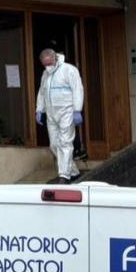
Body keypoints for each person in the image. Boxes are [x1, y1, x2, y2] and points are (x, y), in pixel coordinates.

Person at [33, 49, 84, 184]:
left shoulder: (69, 70)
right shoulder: (45, 74)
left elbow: (77, 89)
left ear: (55, 58)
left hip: (66, 112)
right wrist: (39, 110)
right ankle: (73, 172)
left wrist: (77, 110)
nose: (48, 66)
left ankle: (64, 176)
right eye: (45, 64)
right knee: (54, 145)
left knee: (65, 142)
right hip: (51, 114)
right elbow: (42, 93)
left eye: (49, 63)